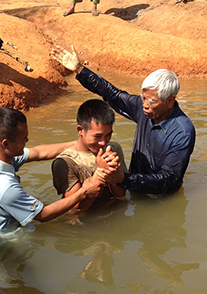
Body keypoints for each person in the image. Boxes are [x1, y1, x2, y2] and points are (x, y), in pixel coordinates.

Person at [52, 46, 196, 196]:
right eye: (143, 97)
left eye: (152, 101)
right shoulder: (144, 108)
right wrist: (80, 70)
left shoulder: (182, 132)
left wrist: (123, 178)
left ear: (170, 101)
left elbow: (168, 179)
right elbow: (112, 94)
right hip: (134, 185)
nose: (145, 105)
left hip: (162, 197)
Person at [0, 107, 105, 231]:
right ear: (6, 143)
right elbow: (43, 215)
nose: (28, 140)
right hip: (9, 239)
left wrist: (81, 144)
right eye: (23, 139)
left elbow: (38, 152)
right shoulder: (5, 188)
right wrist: (84, 192)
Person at [52, 99, 127, 211]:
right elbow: (78, 208)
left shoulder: (114, 149)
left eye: (108, 135)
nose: (103, 142)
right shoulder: (65, 163)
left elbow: (121, 194)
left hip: (113, 212)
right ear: (80, 130)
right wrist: (101, 173)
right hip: (84, 221)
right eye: (97, 136)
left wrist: (113, 174)